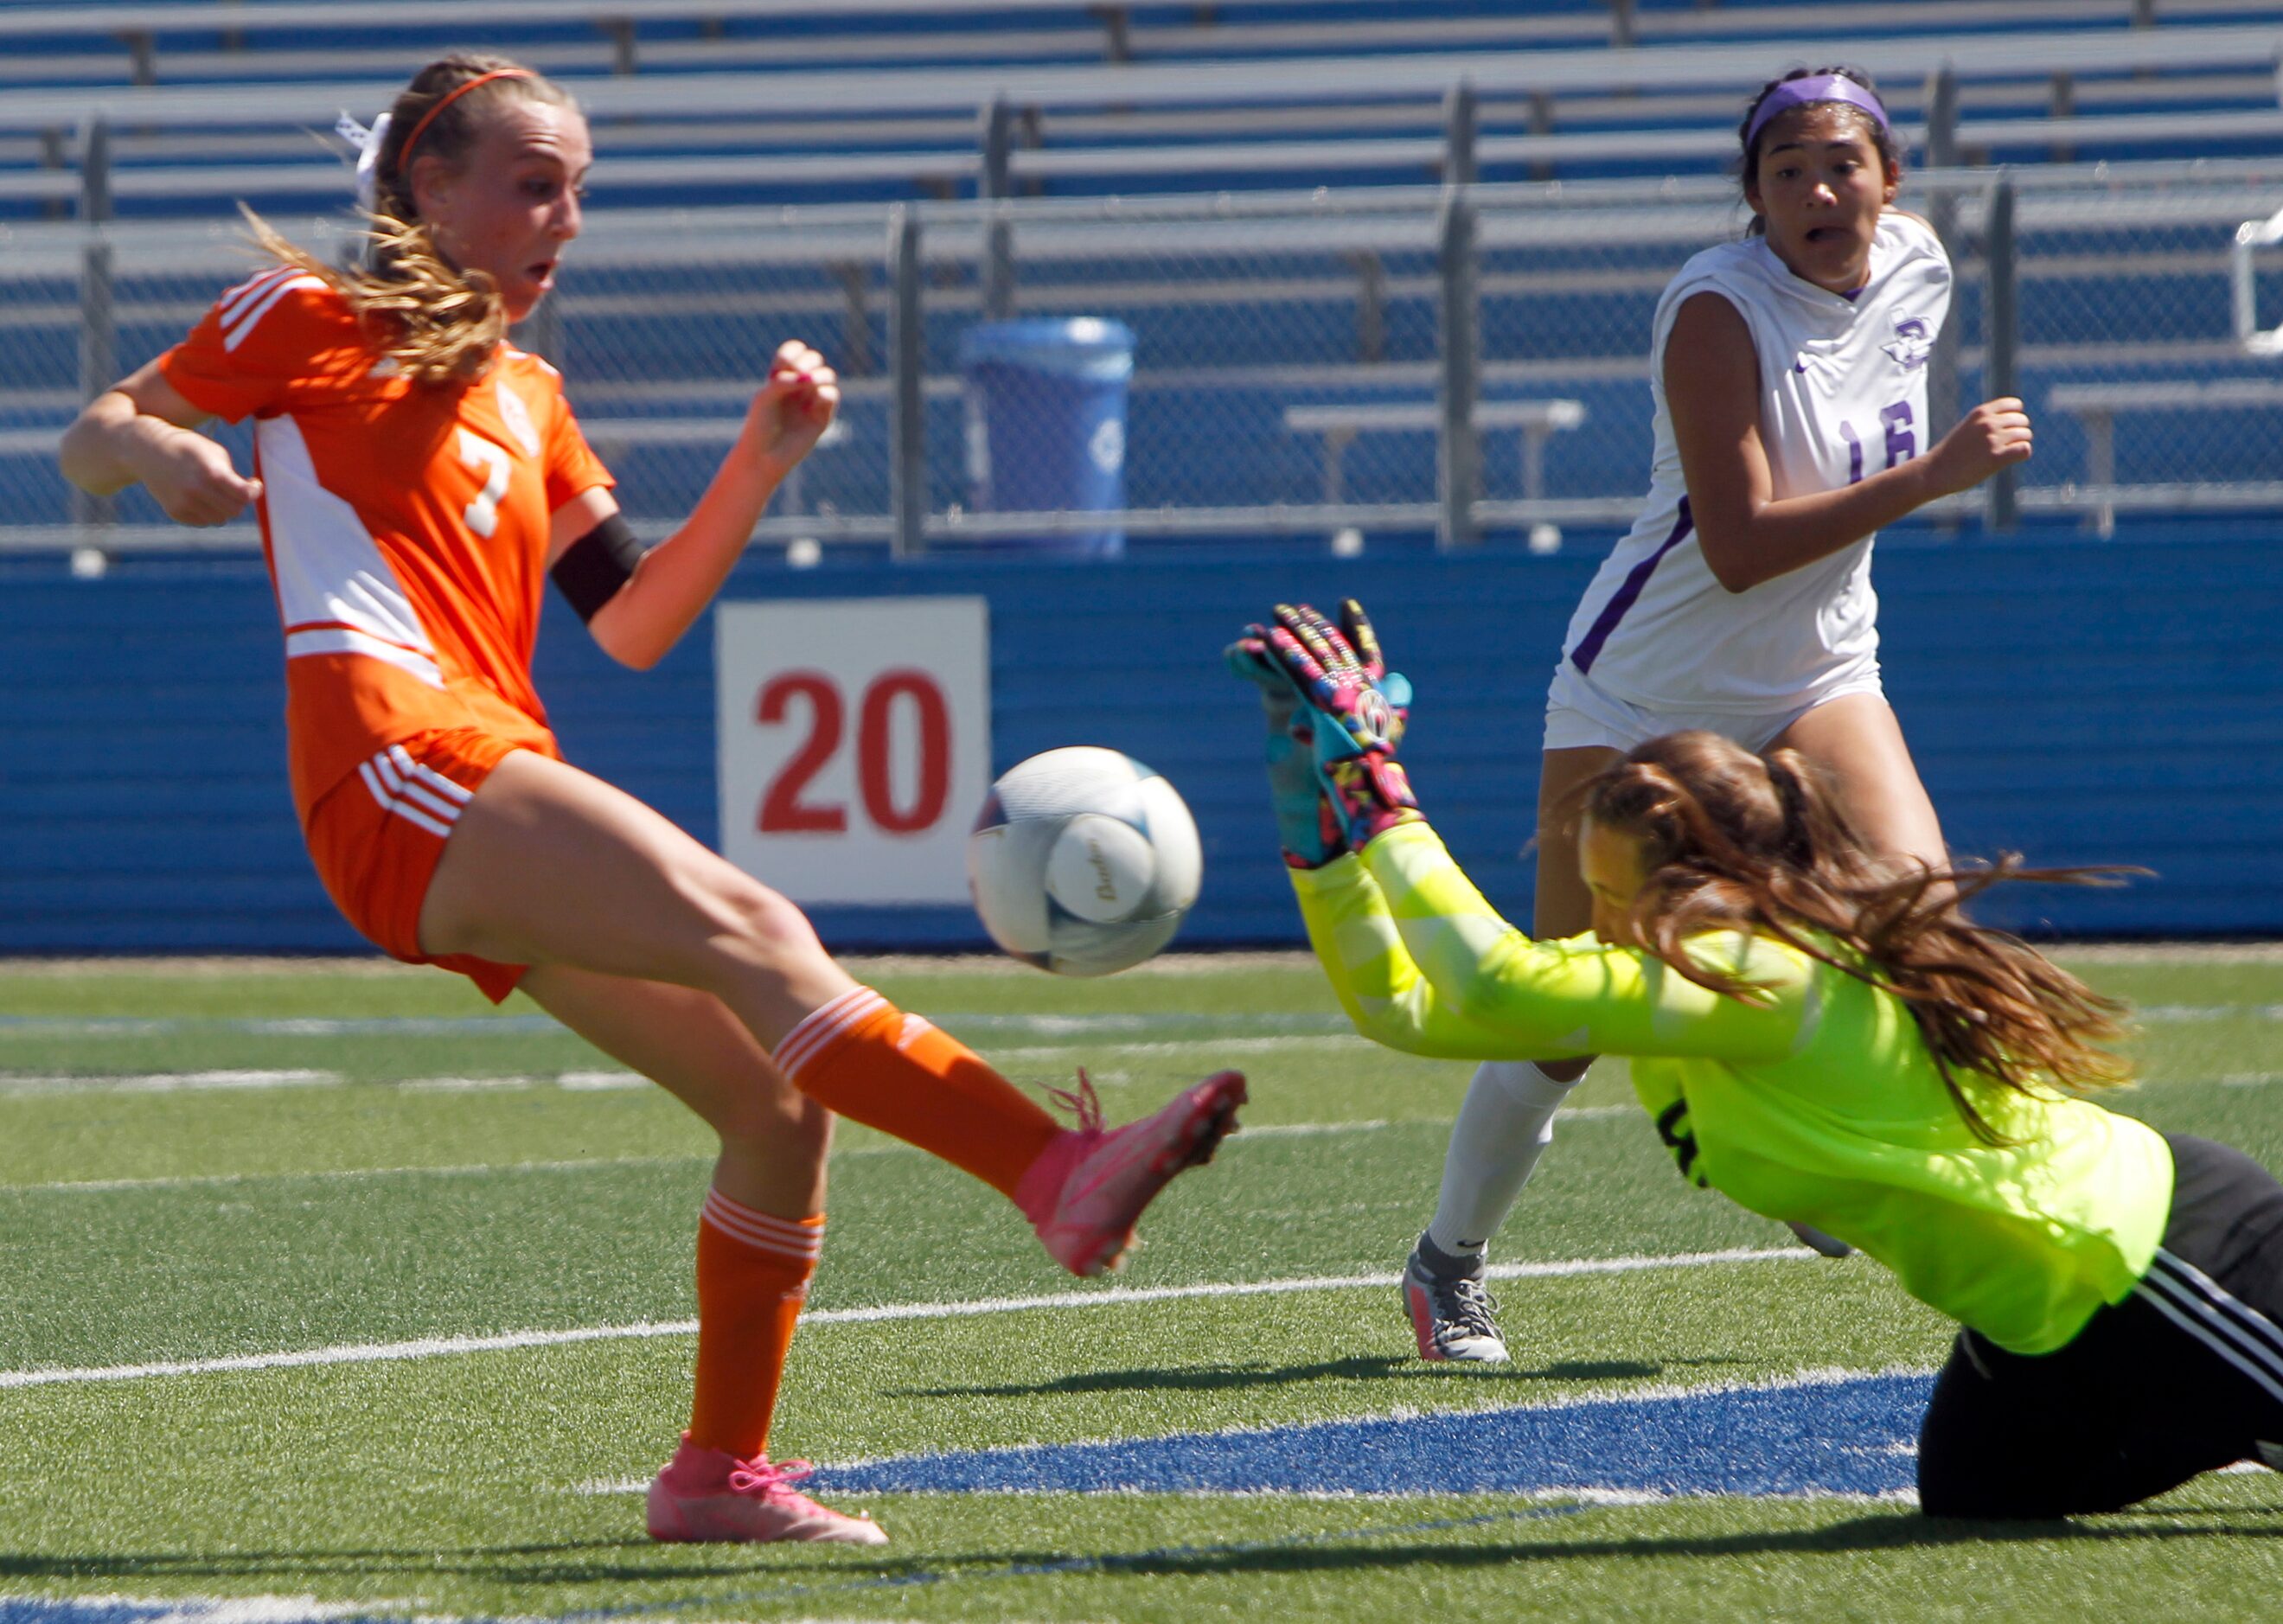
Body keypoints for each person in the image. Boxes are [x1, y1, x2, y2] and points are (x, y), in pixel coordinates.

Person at [58, 54, 1246, 1548]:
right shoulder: (309, 319)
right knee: (758, 921)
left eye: (579, 191)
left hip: (480, 768)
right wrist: (156, 451)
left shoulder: (531, 391)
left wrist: (757, 466)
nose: (566, 216)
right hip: (391, 757)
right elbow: (87, 429)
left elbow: (625, 618)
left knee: (776, 1104)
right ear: (427, 189)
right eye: (535, 183)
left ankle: (714, 1476)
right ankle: (1049, 1167)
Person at [1234, 602, 2283, 1518]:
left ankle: (2229, 1398)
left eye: (1615, 894)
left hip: (2156, 1261)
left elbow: (1498, 981)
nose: (1596, 924)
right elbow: (1413, 1012)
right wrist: (1317, 830)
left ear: (1709, 884)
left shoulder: (1763, 973)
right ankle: (2232, 1415)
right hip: (2037, 1321)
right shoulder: (1684, 985)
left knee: (2169, 1390)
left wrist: (1375, 788)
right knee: (1976, 1495)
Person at [1405, 65, 2036, 1363]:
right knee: (1570, 1012)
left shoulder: (1917, 268)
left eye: (1842, 162)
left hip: (1818, 670)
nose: (1819, 188)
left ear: (1891, 177)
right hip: (1647, 684)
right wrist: (1937, 476)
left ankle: (1817, 1161)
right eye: (1789, 168)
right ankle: (1446, 1262)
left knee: (1916, 919)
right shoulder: (1715, 307)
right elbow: (1740, 545)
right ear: (1751, 195)